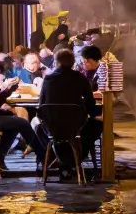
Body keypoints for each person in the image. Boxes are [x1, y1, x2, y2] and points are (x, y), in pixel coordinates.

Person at [39, 49, 102, 182]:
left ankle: (59, 160)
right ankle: (72, 162)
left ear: (56, 62)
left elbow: (41, 106)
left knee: (37, 126)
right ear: (73, 62)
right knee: (97, 126)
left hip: (52, 125)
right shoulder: (80, 78)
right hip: (74, 124)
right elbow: (91, 105)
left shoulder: (48, 79)